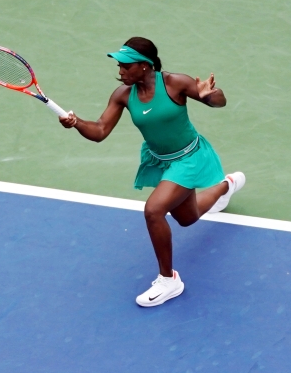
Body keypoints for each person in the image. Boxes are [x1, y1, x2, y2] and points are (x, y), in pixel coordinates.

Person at [59, 37, 245, 307]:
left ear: (145, 65)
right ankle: (226, 185)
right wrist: (76, 122)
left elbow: (220, 102)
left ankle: (169, 280)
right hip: (161, 160)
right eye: (120, 66)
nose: (121, 71)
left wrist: (210, 95)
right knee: (187, 218)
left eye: (126, 66)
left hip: (189, 158)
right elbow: (99, 131)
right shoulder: (123, 95)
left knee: (154, 210)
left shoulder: (174, 83)